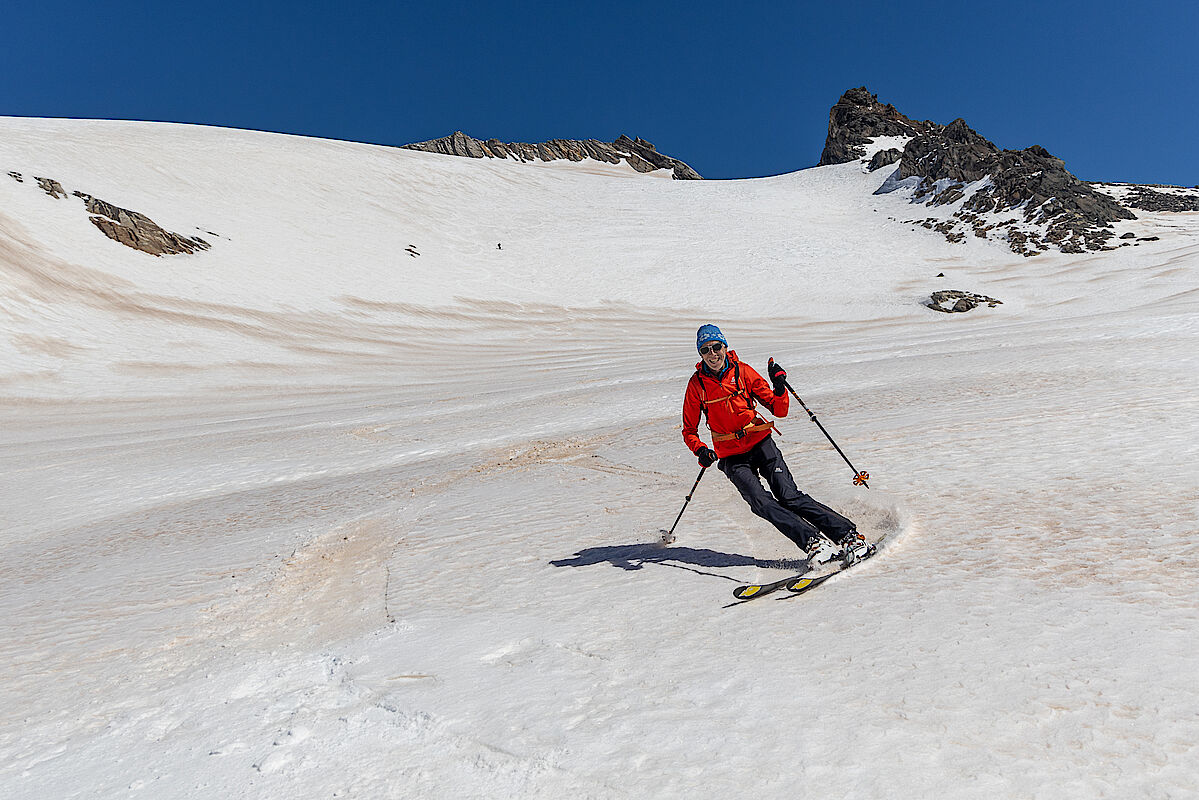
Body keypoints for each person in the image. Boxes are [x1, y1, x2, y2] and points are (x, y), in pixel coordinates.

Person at [681, 324, 868, 564]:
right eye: (705, 350)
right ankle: (814, 542)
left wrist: (779, 388)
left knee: (788, 496)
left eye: (716, 347)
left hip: (760, 443)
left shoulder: (744, 372)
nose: (712, 354)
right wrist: (700, 450)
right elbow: (689, 430)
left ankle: (849, 537)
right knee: (760, 502)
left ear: (725, 347)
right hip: (731, 455)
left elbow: (779, 410)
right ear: (700, 354)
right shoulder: (697, 385)